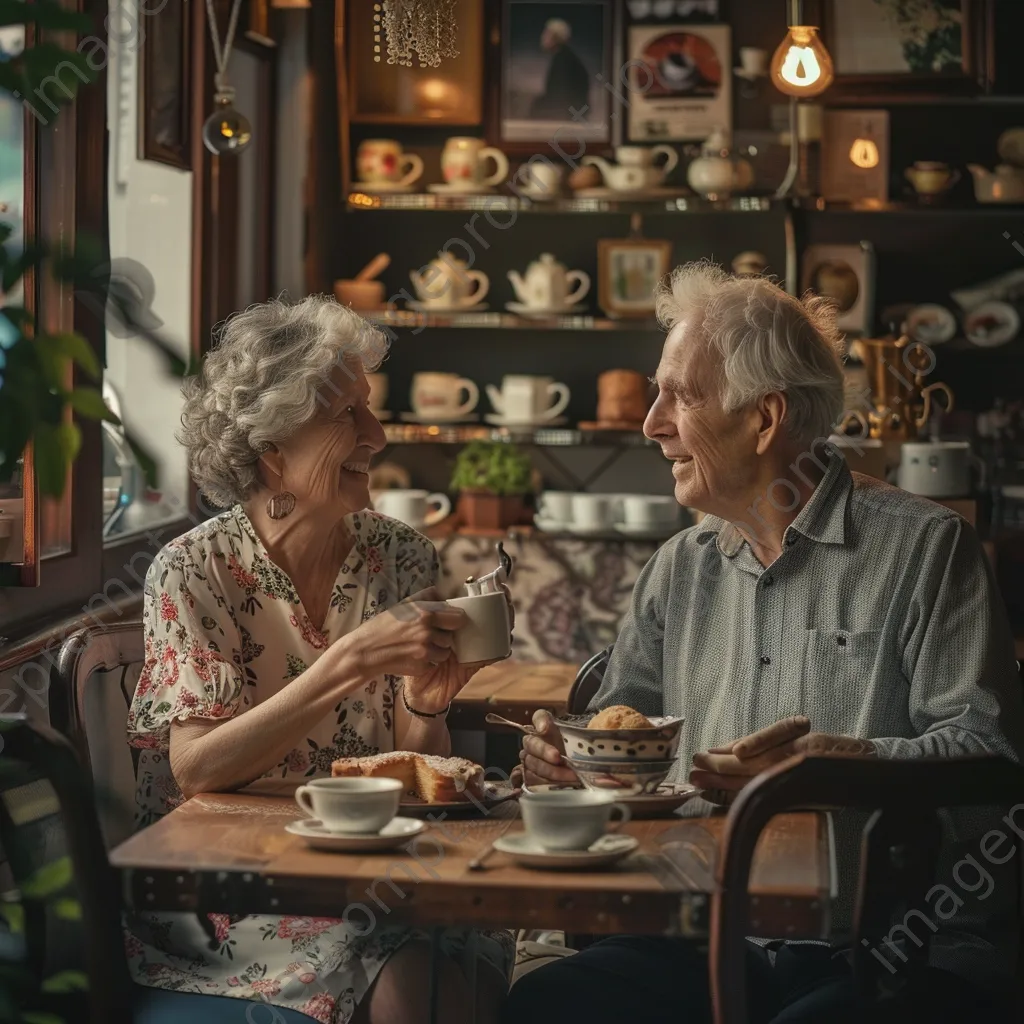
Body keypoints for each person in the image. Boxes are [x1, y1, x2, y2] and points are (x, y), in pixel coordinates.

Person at [509, 262, 1024, 1024]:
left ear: (765, 418)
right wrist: (564, 763)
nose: (651, 424)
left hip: (889, 946)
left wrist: (842, 765)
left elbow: (992, 760)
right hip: (706, 934)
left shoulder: (928, 550)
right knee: (544, 1003)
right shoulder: (679, 569)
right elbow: (620, 756)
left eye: (679, 396)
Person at [125, 295, 513, 1024]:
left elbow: (413, 769)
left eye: (369, 409)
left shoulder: (400, 555)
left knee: (447, 978)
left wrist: (427, 705)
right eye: (347, 417)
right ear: (272, 450)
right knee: (410, 982)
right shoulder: (192, 570)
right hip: (236, 896)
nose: (377, 432)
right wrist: (349, 662)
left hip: (377, 875)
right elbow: (196, 769)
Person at [529, 18, 590, 120]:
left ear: (555, 37)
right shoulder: (563, 57)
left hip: (568, 117)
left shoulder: (563, 61)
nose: (543, 37)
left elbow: (559, 96)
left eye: (547, 34)